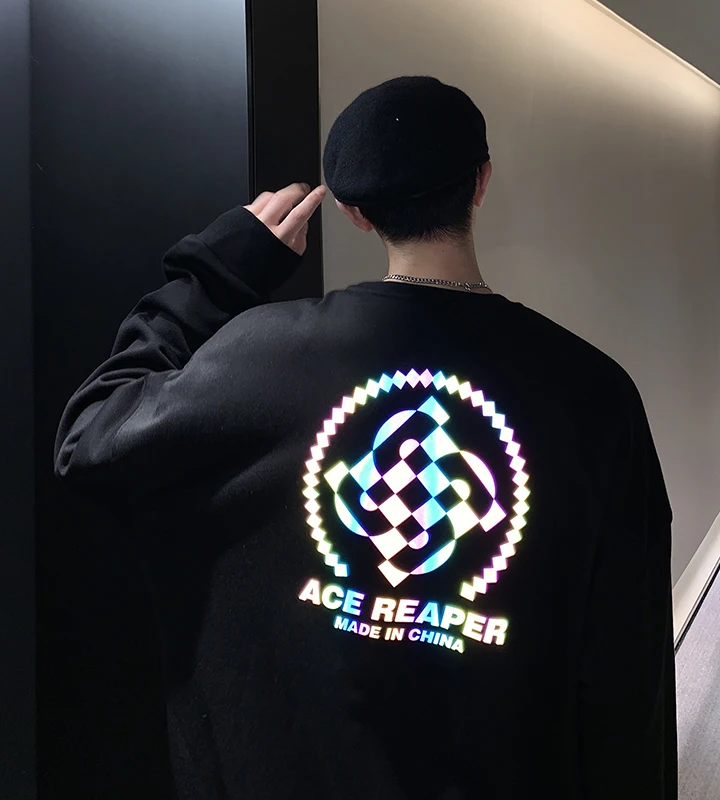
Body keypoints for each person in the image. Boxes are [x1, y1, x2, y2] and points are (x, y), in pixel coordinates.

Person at [55, 76, 677, 799]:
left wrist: (222, 272)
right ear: (481, 182)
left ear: (354, 213)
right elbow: (628, 676)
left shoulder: (257, 359)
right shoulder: (594, 395)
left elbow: (90, 433)